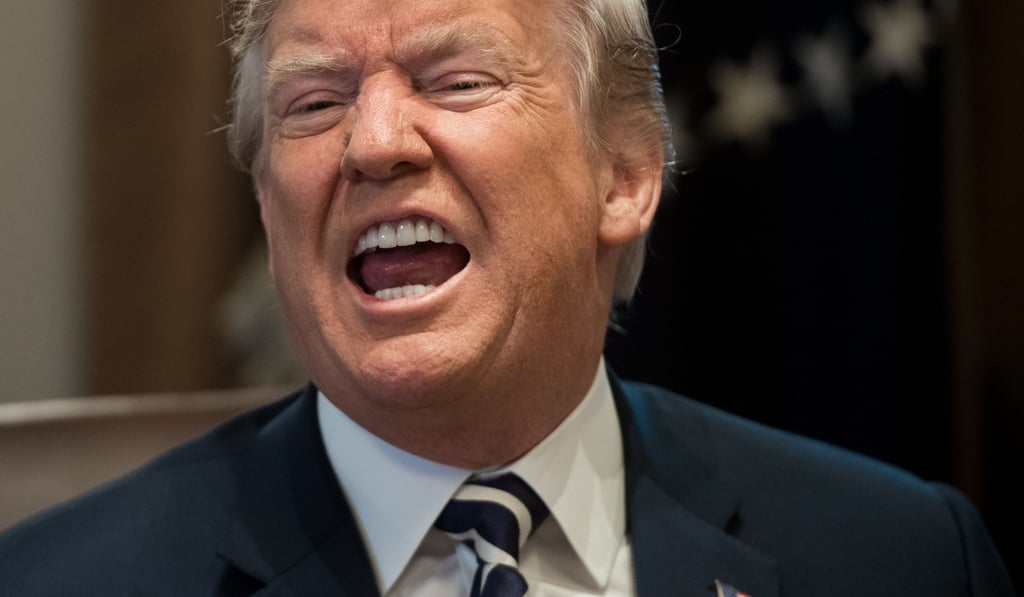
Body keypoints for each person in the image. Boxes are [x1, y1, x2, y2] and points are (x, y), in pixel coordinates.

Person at [0, 0, 1015, 595]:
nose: (374, 142)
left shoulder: (903, 556)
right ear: (267, 205)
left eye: (454, 83)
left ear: (622, 177)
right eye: (314, 103)